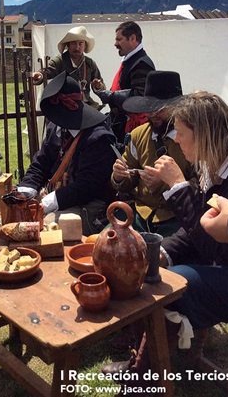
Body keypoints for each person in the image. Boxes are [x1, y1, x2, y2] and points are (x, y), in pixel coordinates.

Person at [102, 91, 228, 394]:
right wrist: (161, 253)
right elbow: (195, 232)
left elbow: (215, 245)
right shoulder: (211, 164)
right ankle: (143, 363)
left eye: (182, 132)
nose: (176, 138)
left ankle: (142, 375)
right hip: (219, 262)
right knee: (150, 265)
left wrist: (177, 187)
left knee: (175, 284)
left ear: (202, 134)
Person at [18, 71, 116, 235]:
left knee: (46, 227)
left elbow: (87, 187)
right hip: (61, 196)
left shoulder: (98, 137)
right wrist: (26, 190)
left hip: (90, 205)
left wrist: (52, 200)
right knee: (20, 215)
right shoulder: (56, 127)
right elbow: (41, 163)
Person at [111, 71, 193, 237]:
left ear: (176, 107)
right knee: (107, 240)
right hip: (140, 214)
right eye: (149, 108)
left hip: (176, 216)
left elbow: (203, 184)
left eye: (160, 109)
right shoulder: (138, 135)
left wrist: (166, 182)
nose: (153, 114)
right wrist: (119, 176)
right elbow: (129, 176)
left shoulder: (193, 137)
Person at [97, 21, 155, 143]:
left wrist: (110, 96)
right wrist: (103, 91)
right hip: (121, 124)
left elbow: (140, 97)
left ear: (133, 38)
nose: (115, 44)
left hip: (132, 129)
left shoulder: (141, 63)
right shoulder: (132, 61)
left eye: (119, 39)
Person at [32, 25, 106, 109]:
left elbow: (102, 88)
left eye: (80, 44)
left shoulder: (89, 63)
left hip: (85, 106)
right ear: (68, 45)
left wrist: (98, 86)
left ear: (85, 46)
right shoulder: (59, 61)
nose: (77, 47)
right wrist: (39, 75)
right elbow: (47, 71)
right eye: (74, 43)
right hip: (63, 106)